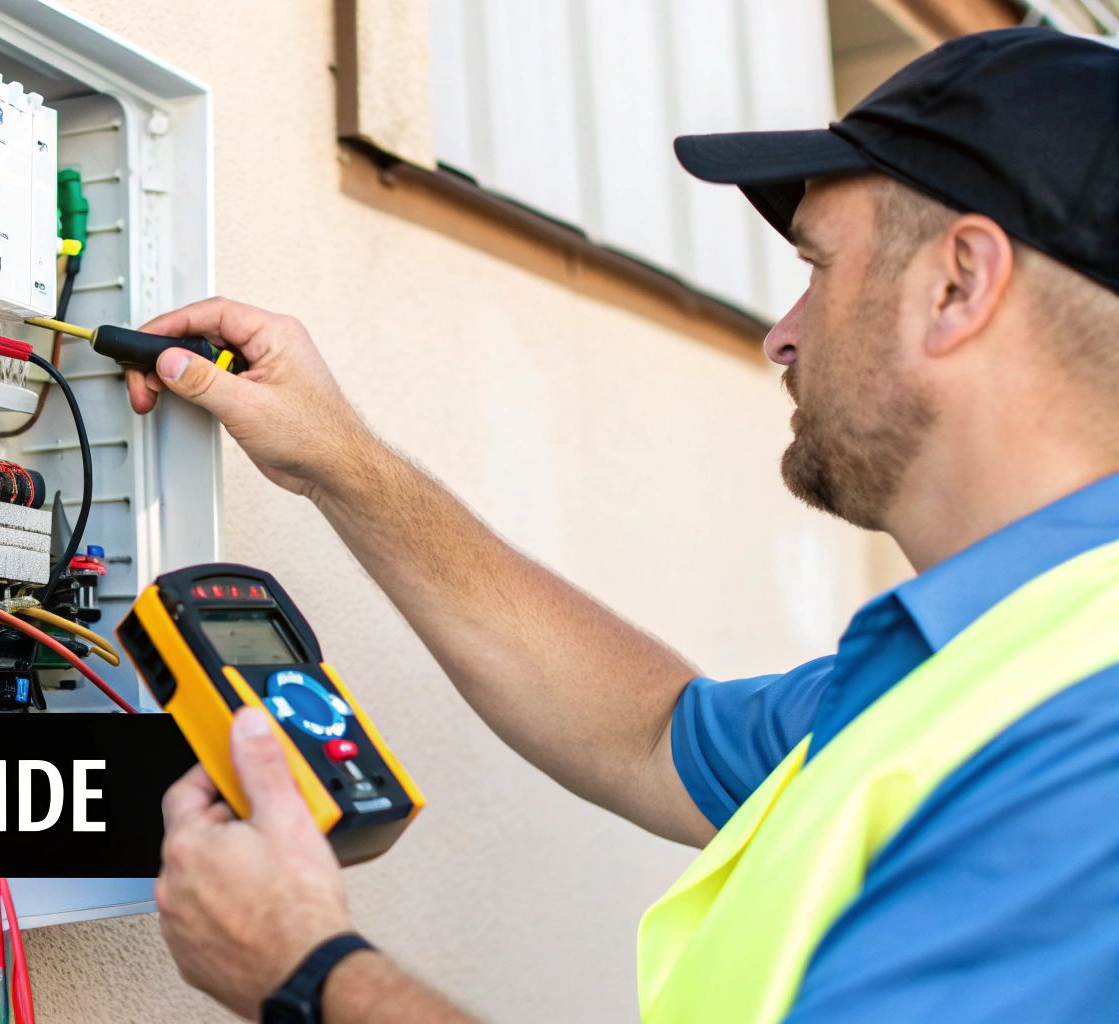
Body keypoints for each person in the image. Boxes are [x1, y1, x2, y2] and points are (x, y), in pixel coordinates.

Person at [126, 28, 1119, 1024]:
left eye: (817, 268)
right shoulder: (971, 664)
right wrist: (339, 459)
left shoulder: (1088, 745)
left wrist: (306, 971)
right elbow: (645, 730)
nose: (780, 332)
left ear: (956, 286)